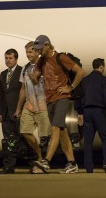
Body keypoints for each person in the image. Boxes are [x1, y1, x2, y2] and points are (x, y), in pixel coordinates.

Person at [30, 35, 85, 174]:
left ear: (48, 45)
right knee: (62, 131)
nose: (38, 51)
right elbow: (36, 80)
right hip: (49, 99)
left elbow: (80, 72)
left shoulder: (60, 57)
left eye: (40, 48)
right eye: (36, 49)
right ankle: (72, 163)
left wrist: (70, 87)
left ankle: (46, 161)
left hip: (62, 97)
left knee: (54, 127)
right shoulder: (41, 61)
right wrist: (34, 78)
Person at [15, 42, 50, 174]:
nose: (28, 54)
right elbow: (22, 90)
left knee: (44, 137)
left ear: (37, 52)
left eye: (31, 52)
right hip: (29, 105)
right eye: (27, 52)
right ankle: (39, 156)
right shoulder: (25, 69)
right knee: (24, 131)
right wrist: (18, 108)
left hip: (43, 106)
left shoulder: (45, 66)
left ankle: (44, 162)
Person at [78, 58, 106, 173]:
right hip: (100, 112)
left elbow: (80, 97)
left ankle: (89, 167)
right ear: (101, 67)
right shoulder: (104, 80)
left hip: (87, 112)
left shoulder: (85, 80)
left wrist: (80, 112)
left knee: (88, 141)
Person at [0, 48, 22, 174]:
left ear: (16, 59)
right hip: (6, 112)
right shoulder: (3, 74)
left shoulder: (22, 71)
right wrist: (0, 112)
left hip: (18, 111)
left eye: (10, 58)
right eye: (6, 58)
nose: (8, 60)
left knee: (21, 138)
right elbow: (1, 94)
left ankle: (33, 161)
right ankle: (8, 166)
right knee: (8, 140)